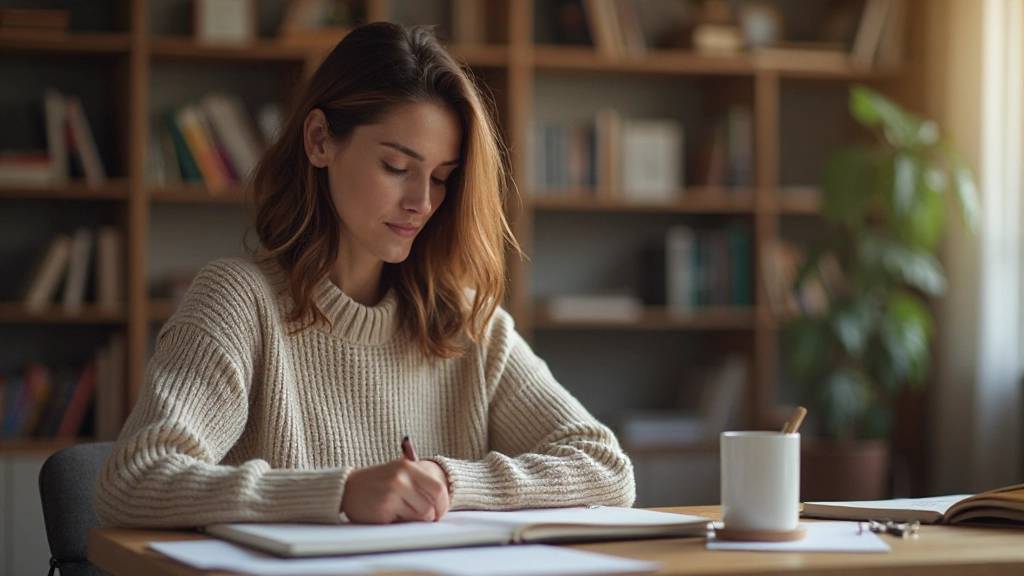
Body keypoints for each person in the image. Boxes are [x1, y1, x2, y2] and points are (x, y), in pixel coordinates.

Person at [95, 22, 635, 529]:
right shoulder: (239, 303)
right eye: (396, 168)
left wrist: (446, 481)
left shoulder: (468, 322)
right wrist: (340, 491)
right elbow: (134, 479)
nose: (422, 203)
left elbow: (606, 467)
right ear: (319, 140)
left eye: (442, 178)